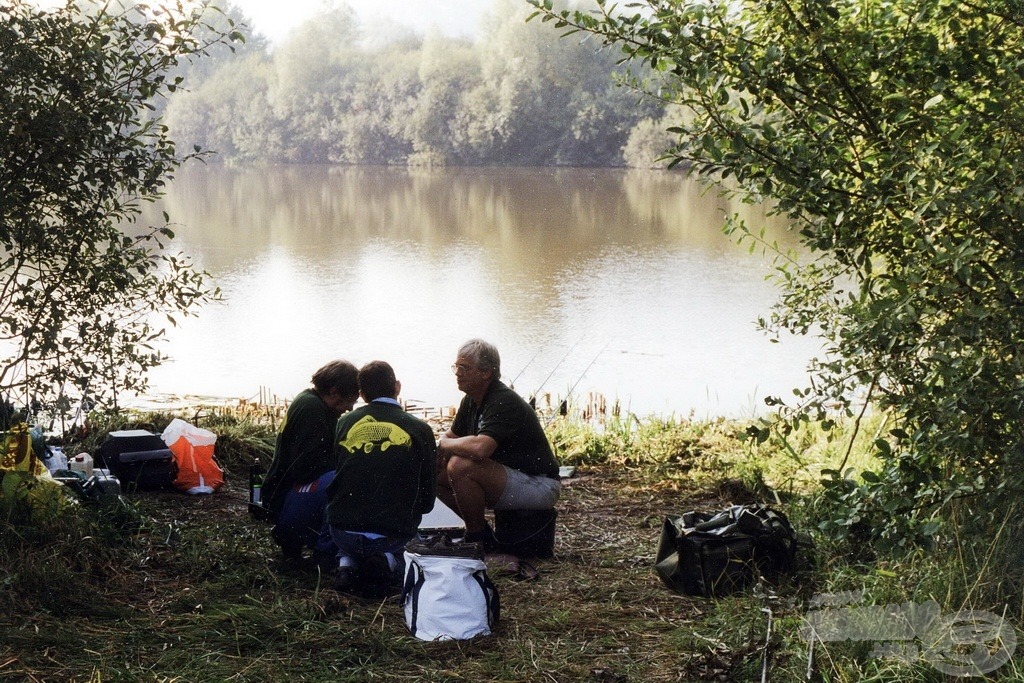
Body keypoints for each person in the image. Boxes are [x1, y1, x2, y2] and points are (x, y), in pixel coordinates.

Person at [326, 360, 437, 594]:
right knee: (409, 546)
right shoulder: (420, 429)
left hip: (342, 531)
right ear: (397, 387)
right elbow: (427, 499)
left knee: (356, 526)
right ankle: (387, 562)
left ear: (362, 395)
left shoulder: (344, 422)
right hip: (391, 536)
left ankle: (345, 565)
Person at [437, 339, 560, 548]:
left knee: (460, 466)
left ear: (486, 373)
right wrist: (443, 446)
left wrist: (442, 444)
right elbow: (452, 437)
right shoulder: (471, 399)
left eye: (464, 368)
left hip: (540, 484)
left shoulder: (503, 400)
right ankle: (481, 531)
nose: (457, 373)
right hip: (512, 478)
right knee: (434, 468)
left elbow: (480, 448)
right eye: (456, 367)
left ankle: (479, 539)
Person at [262, 360, 360, 562]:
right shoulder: (312, 410)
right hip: (284, 494)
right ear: (333, 392)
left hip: (285, 490)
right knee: (341, 482)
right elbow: (305, 468)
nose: (350, 408)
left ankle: (296, 535)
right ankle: (324, 554)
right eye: (349, 400)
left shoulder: (311, 400)